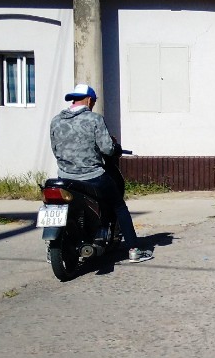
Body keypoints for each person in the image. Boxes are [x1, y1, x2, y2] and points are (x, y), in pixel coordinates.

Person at [49, 83, 153, 263]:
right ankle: (134, 250)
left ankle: (52, 249)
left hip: (65, 177)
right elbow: (107, 148)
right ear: (89, 100)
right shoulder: (94, 119)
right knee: (119, 206)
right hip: (92, 176)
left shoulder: (56, 120)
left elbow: (55, 149)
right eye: (94, 101)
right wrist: (115, 147)